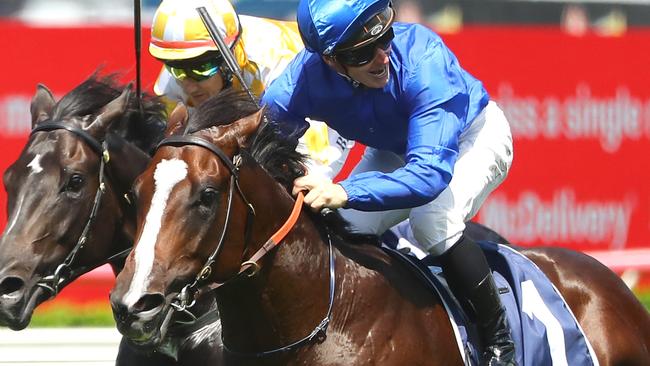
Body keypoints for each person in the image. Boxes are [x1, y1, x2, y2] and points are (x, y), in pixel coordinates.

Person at [261, 0, 516, 364]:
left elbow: (429, 175)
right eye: (364, 52)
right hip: (393, 148)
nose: (382, 56)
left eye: (386, 36)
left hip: (468, 139)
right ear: (331, 60)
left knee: (431, 224)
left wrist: (344, 190)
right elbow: (266, 137)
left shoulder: (423, 60)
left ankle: (499, 340)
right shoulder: (302, 80)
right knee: (342, 228)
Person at [149, 0, 354, 176]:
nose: (189, 86)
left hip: (327, 112)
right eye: (177, 69)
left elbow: (315, 155)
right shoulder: (173, 82)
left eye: (202, 68)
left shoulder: (274, 63)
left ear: (231, 53)